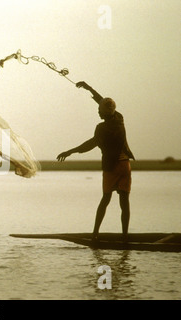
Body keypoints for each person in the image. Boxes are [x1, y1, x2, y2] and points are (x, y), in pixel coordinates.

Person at [57, 81, 135, 242]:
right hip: (125, 165)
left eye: (99, 111)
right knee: (124, 201)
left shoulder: (102, 128)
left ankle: (95, 234)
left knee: (105, 199)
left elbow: (89, 145)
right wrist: (89, 88)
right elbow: (104, 102)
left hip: (112, 168)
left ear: (105, 113)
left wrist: (69, 151)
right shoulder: (119, 118)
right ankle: (125, 236)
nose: (98, 112)